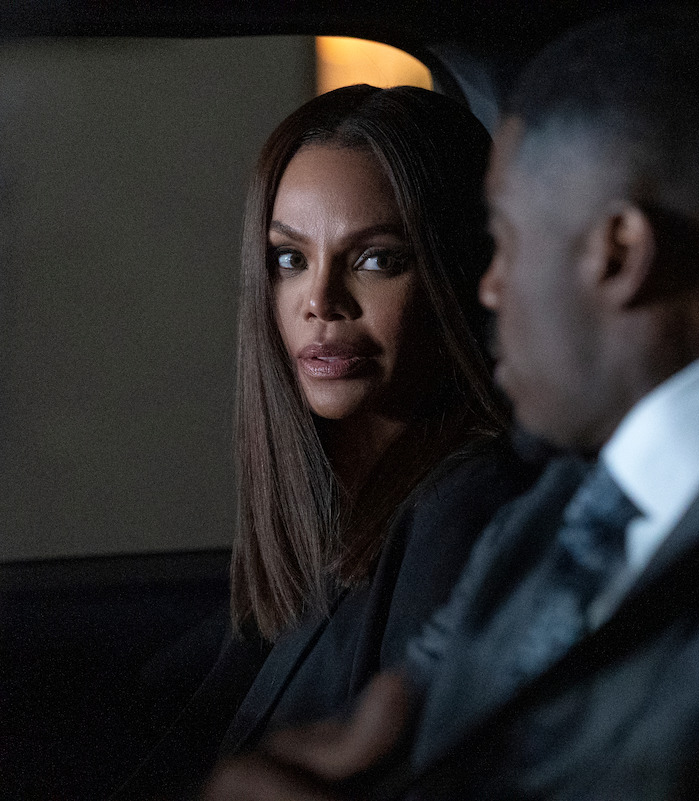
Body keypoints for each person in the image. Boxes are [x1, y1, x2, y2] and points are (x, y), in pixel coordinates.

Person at [206, 9, 699, 800]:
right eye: (287, 258)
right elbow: (386, 742)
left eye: (506, 242)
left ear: (619, 253)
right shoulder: (556, 512)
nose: (486, 288)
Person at [110, 85, 540, 799]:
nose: (320, 301)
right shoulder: (332, 515)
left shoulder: (465, 509)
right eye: (290, 259)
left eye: (376, 259)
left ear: (461, 272)